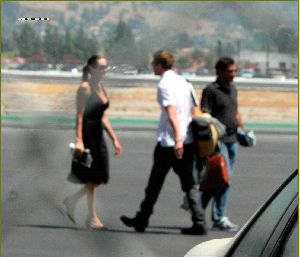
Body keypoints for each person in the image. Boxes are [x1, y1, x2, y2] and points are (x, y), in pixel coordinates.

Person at [120, 50, 207, 235]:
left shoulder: (164, 84)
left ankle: (142, 219)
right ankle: (199, 222)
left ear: (160, 64)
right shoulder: (184, 82)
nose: (152, 67)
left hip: (170, 143)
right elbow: (194, 110)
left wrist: (177, 141)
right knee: (189, 183)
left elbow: (171, 112)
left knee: (155, 183)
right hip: (188, 140)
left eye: (154, 64)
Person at [64, 55, 122, 229]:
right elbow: (80, 115)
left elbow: (103, 116)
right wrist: (79, 140)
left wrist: (114, 139)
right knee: (93, 178)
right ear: (91, 69)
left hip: (98, 135)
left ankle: (72, 200)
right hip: (88, 134)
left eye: (106, 67)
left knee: (99, 177)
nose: (105, 70)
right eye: (102, 67)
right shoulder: (85, 88)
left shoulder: (100, 87)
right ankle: (91, 217)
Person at [200, 57, 244, 232]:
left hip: (233, 141)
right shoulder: (210, 90)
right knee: (223, 180)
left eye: (234, 71)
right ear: (219, 72)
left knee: (222, 180)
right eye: (230, 71)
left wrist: (243, 131)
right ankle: (217, 217)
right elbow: (205, 116)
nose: (233, 74)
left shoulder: (233, 89)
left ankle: (202, 213)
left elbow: (235, 113)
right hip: (218, 143)